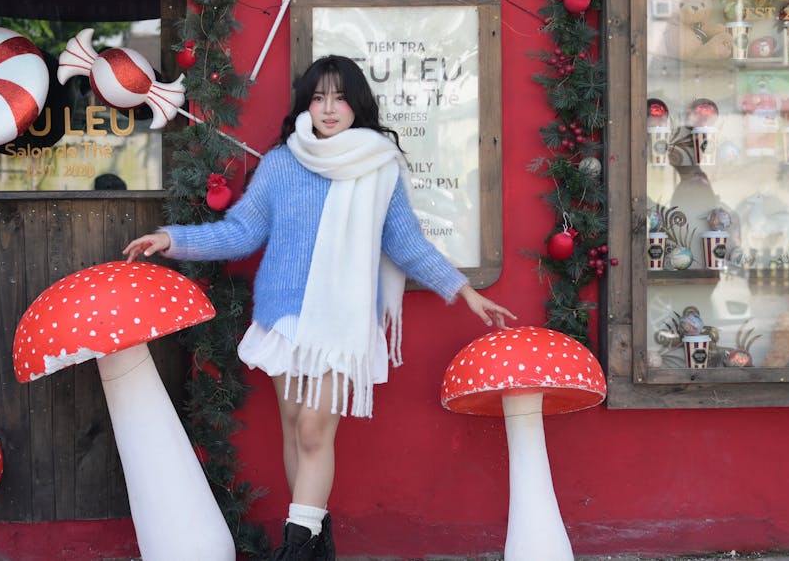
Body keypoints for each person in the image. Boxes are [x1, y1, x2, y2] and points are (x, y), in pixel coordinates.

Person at [122, 55, 514, 561]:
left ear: (358, 104)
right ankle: (315, 540)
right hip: (285, 317)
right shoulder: (283, 163)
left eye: (340, 97)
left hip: (342, 320)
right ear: (307, 104)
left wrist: (464, 291)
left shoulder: (378, 167)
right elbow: (241, 233)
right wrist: (171, 241)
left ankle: (296, 547)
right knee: (293, 427)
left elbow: (406, 243)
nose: (329, 108)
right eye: (318, 97)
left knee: (312, 429)